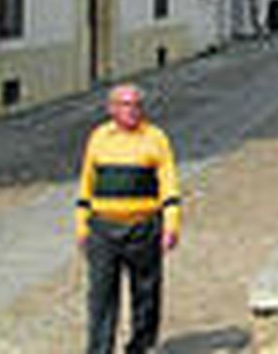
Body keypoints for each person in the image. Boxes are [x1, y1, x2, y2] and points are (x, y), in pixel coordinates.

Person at [76, 83, 181, 354]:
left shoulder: (156, 138)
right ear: (111, 109)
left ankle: (141, 346)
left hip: (143, 227)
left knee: (146, 293)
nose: (132, 110)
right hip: (103, 229)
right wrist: (81, 225)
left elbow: (168, 183)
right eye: (125, 104)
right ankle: (100, 349)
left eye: (136, 104)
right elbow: (87, 183)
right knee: (101, 296)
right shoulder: (99, 137)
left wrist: (171, 224)